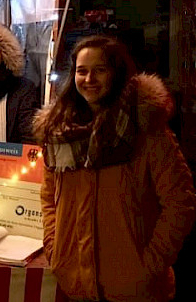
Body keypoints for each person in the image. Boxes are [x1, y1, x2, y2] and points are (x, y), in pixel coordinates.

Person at [34, 35, 196, 301]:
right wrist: (54, 248)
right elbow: (49, 197)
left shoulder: (147, 131)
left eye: (100, 70)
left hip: (136, 291)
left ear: (117, 73)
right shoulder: (59, 133)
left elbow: (181, 203)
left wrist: (148, 266)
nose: (89, 79)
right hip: (75, 284)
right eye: (82, 71)